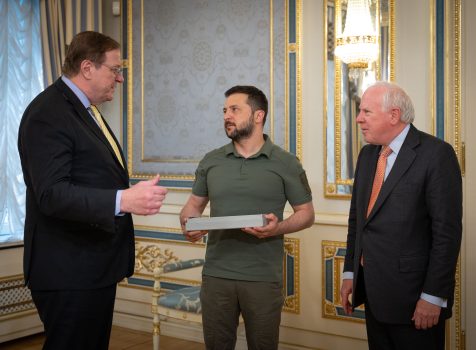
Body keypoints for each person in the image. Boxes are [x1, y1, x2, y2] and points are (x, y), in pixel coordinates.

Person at [17, 31, 167, 350]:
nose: (120, 78)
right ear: (87, 68)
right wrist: (123, 199)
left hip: (90, 269)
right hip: (68, 272)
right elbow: (52, 194)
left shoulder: (83, 110)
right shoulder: (48, 113)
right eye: (115, 69)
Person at [180, 85, 315, 350]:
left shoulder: (286, 163)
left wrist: (275, 229)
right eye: (224, 111)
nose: (226, 116)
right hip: (217, 276)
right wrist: (189, 225)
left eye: (234, 109)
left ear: (258, 115)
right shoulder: (212, 160)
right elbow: (191, 208)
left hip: (263, 278)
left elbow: (307, 214)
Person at [340, 81, 462, 350]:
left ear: (394, 115)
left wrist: (433, 297)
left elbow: (447, 235)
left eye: (366, 112)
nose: (359, 119)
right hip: (372, 292)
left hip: (415, 299)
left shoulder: (436, 154)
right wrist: (350, 272)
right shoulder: (367, 155)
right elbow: (357, 221)